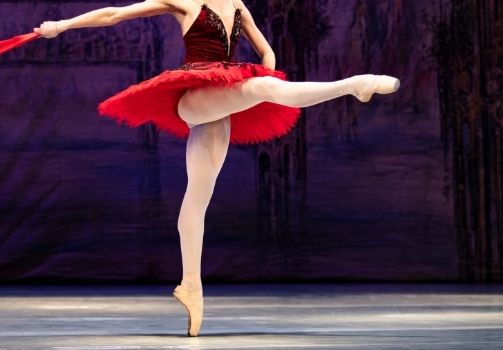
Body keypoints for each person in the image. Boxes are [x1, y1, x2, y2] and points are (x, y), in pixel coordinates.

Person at [33, 0, 400, 337]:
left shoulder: (238, 4)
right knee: (264, 89)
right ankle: (352, 85)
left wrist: (260, 84)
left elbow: (266, 50)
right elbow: (114, 14)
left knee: (199, 195)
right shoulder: (183, 1)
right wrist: (61, 25)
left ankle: (190, 284)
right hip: (195, 97)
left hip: (223, 102)